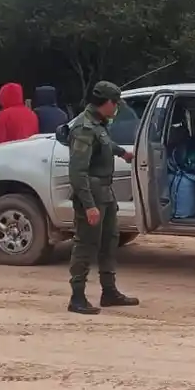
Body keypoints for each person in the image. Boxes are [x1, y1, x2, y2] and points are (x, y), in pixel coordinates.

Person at [65, 80, 140, 314]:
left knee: (109, 241)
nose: (116, 107)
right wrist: (89, 205)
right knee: (86, 243)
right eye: (114, 102)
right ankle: (77, 296)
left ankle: (109, 291)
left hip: (105, 192)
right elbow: (78, 172)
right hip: (92, 193)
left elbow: (105, 144)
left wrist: (123, 153)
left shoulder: (98, 124)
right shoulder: (84, 128)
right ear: (105, 102)